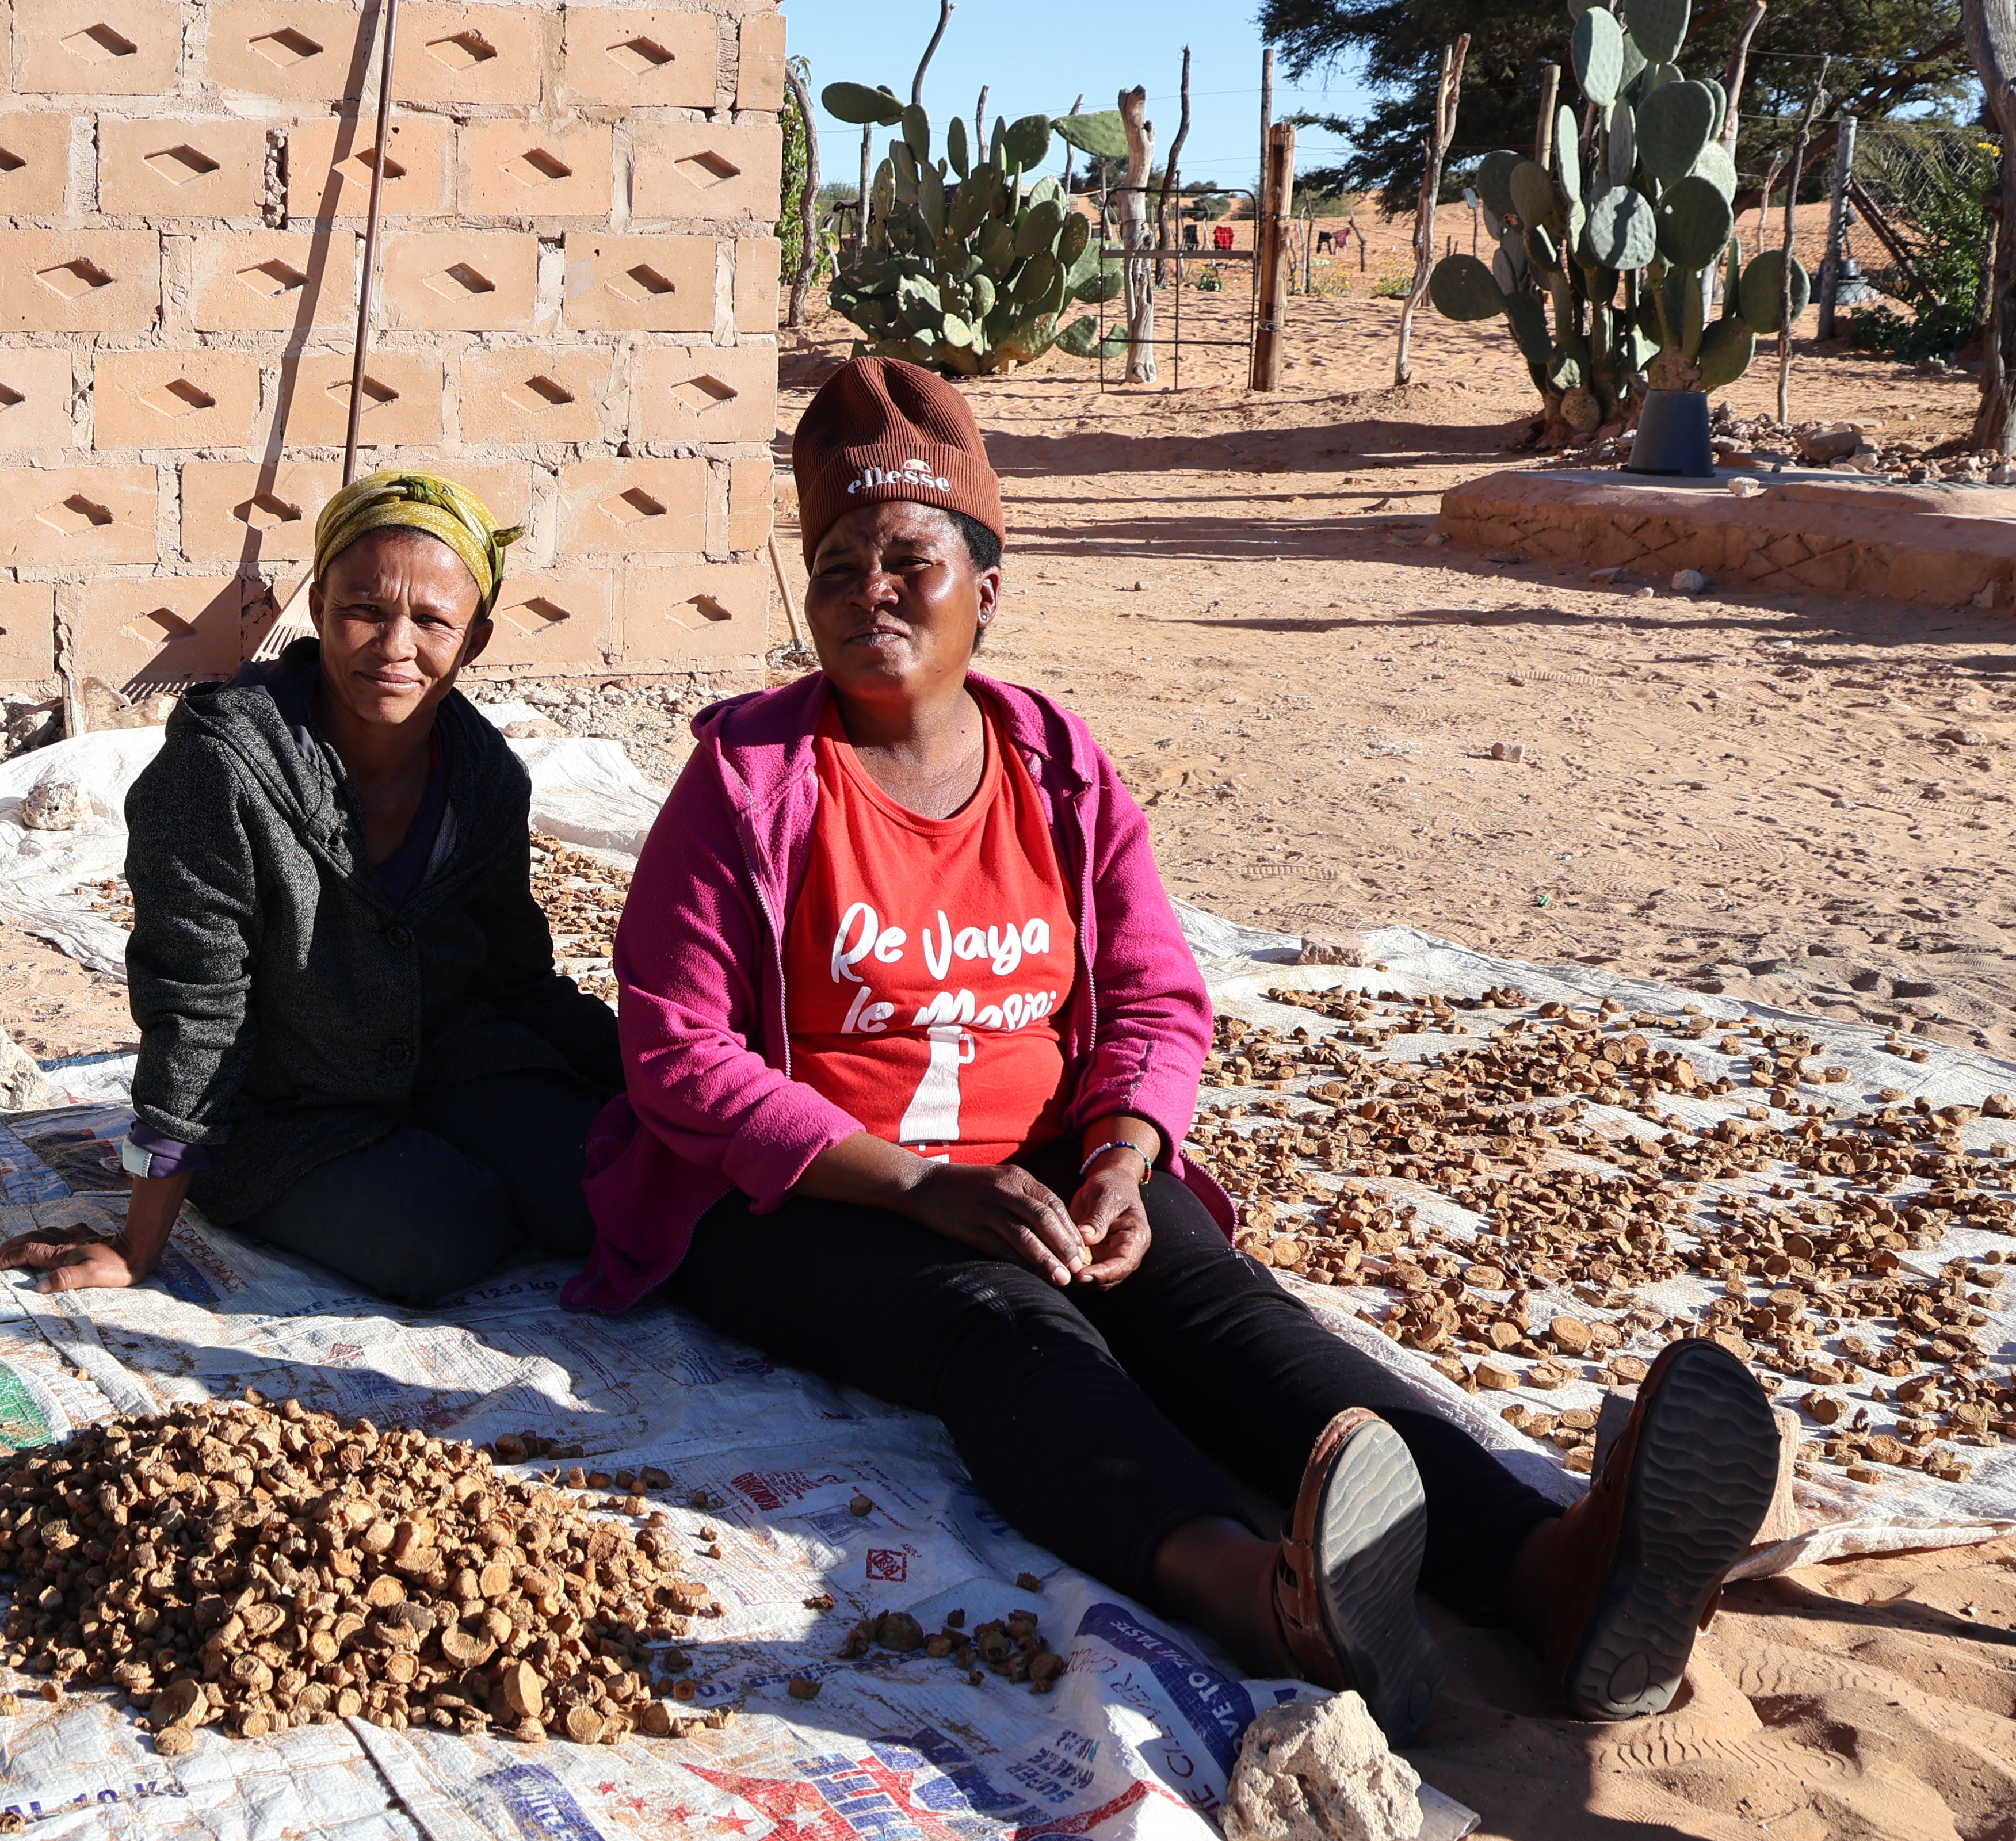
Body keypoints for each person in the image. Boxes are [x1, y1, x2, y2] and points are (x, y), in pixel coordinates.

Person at [567, 360, 1782, 1739]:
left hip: (1036, 1156)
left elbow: (1153, 994)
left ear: (988, 586)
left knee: (1212, 1302)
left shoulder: (1055, 763)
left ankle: (1545, 1566)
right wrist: (918, 1187)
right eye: (836, 569)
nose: (871, 593)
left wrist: (1124, 1151)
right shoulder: (749, 781)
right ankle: (1262, 1594)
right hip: (805, 1199)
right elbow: (679, 1053)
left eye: (908, 558)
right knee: (1004, 1327)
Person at [0, 471, 620, 1308]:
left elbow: (516, 975)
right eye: (365, 609)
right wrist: (138, 1244)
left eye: (434, 621)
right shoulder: (220, 770)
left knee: (603, 1195)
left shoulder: (484, 779)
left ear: (474, 641)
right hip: (285, 1100)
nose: (395, 647)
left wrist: (660, 1073)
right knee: (441, 1240)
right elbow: (199, 1004)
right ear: (319, 604)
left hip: (445, 1055)